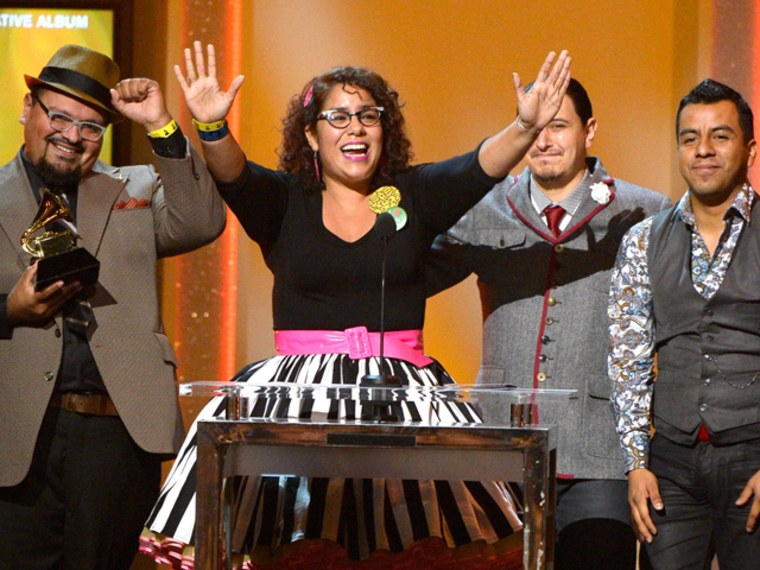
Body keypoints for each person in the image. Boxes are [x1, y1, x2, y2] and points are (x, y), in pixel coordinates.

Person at [140, 42, 570, 568]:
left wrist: (524, 127)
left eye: (368, 115)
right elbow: (234, 175)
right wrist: (211, 127)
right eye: (338, 117)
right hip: (299, 398)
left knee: (406, 547)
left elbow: (477, 167)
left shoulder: (407, 195)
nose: (356, 128)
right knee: (297, 545)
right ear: (310, 135)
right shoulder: (285, 200)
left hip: (404, 392)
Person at [426, 78, 670, 569]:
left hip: (599, 454)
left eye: (558, 125)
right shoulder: (482, 206)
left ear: (590, 130)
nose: (543, 140)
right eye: (533, 127)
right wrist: (381, 196)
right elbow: (398, 241)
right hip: (499, 451)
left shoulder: (646, 213)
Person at [0, 44, 226, 569]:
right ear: (27, 109)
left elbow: (200, 222)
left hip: (116, 434)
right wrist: (9, 308)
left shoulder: (135, 188)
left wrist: (162, 124)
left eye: (91, 126)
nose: (72, 135)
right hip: (16, 431)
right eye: (58, 115)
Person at [609, 78, 760, 569]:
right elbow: (628, 356)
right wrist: (636, 463)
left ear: (749, 149)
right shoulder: (642, 239)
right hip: (670, 462)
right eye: (690, 138)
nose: (703, 150)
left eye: (720, 135)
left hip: (753, 453)